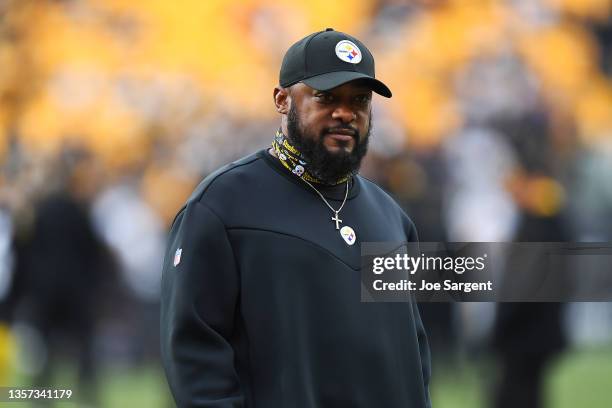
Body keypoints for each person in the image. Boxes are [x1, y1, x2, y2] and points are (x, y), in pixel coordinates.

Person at [160, 28, 431, 408]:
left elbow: (411, 355)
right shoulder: (222, 203)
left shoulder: (391, 216)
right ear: (282, 99)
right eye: (326, 97)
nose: (345, 113)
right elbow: (195, 353)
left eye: (359, 100)